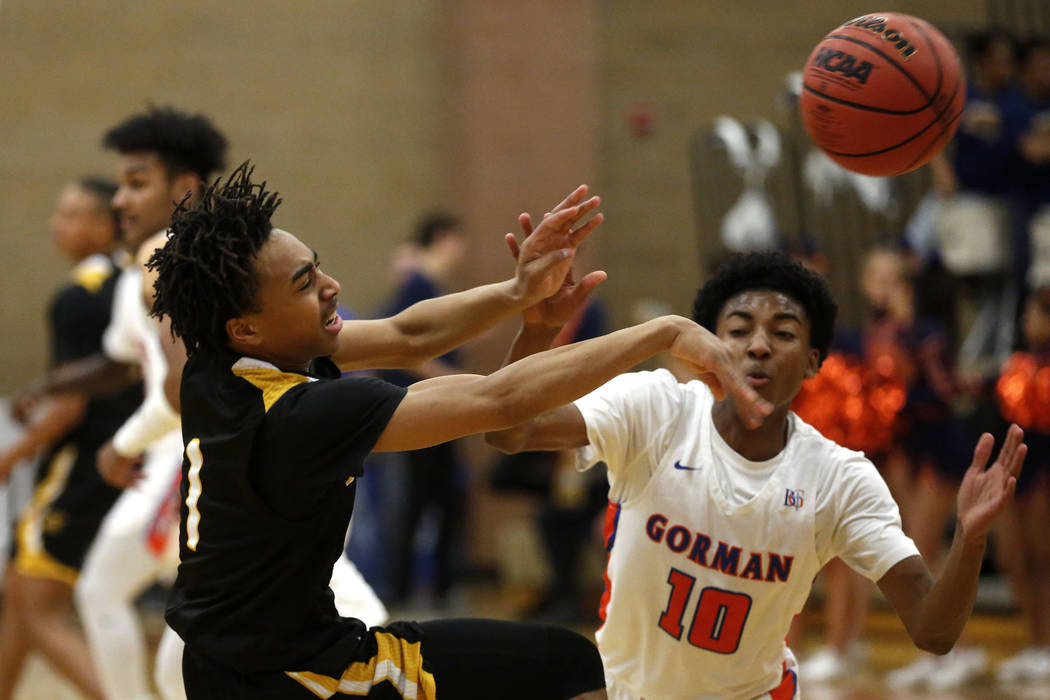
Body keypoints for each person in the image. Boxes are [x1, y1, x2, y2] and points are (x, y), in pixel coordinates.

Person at [147, 163, 771, 699]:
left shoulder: (218, 366)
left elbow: (408, 334)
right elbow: (500, 400)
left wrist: (521, 292)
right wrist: (661, 332)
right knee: (569, 665)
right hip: (299, 676)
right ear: (247, 328)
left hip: (225, 665)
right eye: (305, 284)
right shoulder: (300, 416)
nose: (332, 288)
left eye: (319, 269)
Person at [486, 250, 1027, 700]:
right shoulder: (655, 408)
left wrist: (971, 539)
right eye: (739, 330)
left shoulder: (839, 477)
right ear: (706, 345)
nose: (759, 345)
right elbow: (507, 431)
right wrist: (538, 330)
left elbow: (933, 631)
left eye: (783, 333)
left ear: (813, 361)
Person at [0, 178, 141, 700]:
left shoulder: (80, 296)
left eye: (71, 215)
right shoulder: (133, 283)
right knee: (21, 594)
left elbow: (70, 404)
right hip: (127, 463)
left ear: (107, 224)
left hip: (80, 468)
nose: (55, 225)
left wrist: (11, 455)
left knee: (37, 606)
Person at [378, 212, 468, 606]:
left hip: (440, 407)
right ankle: (400, 589)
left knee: (444, 499)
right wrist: (451, 377)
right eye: (458, 241)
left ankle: (439, 588)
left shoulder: (433, 286)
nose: (462, 250)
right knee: (416, 501)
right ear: (443, 239)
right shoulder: (417, 285)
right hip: (418, 407)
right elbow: (398, 348)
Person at [993, 283, 1050, 683]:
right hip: (1019, 465)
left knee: (1043, 557)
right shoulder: (1019, 362)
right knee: (1014, 557)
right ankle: (1034, 642)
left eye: (1037, 314)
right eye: (1027, 313)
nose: (1028, 321)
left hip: (1045, 465)